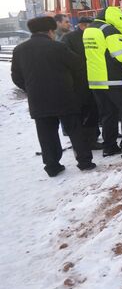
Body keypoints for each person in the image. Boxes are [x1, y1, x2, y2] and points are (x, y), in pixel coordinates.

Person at [11, 16, 95, 176]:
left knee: (46, 134)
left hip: (38, 100)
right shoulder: (58, 47)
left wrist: (31, 88)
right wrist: (73, 87)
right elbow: (79, 67)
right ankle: (85, 162)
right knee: (74, 130)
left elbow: (16, 77)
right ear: (50, 31)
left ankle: (52, 166)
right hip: (64, 96)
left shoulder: (19, 50)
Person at [84, 6, 122, 158]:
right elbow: (121, 55)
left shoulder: (90, 29)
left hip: (96, 81)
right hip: (115, 80)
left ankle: (109, 146)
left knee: (108, 114)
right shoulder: (109, 31)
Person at [61, 16, 101, 149]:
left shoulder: (71, 38)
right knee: (86, 110)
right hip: (81, 81)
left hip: (89, 79)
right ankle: (87, 141)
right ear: (83, 25)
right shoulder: (69, 38)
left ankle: (92, 138)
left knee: (92, 109)